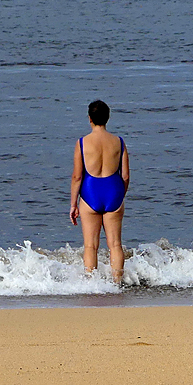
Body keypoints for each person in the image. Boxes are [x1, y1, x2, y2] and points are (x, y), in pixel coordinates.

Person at [69, 100, 130, 281]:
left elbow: (77, 177)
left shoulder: (82, 143)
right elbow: (125, 176)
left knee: (90, 246)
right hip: (114, 192)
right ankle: (117, 285)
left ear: (90, 119)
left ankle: (91, 286)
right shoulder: (119, 142)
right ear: (108, 118)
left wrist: (73, 204)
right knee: (115, 245)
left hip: (90, 194)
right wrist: (119, 196)